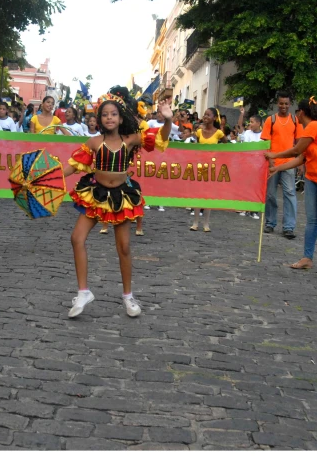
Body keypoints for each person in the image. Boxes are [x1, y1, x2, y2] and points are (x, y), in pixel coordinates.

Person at [64, 94, 172, 318]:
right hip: (96, 194)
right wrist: (49, 176)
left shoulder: (130, 139)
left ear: (121, 118)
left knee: (123, 247)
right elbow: (73, 167)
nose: (109, 118)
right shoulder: (93, 142)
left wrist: (168, 120)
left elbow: (161, 138)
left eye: (113, 114)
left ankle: (128, 296)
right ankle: (83, 292)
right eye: (104, 115)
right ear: (99, 119)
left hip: (121, 196)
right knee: (77, 238)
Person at [266, 97, 317, 276]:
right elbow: (301, 159)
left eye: (297, 111)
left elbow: (296, 150)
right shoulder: (313, 127)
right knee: (313, 220)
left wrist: (274, 154)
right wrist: (277, 167)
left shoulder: (314, 126)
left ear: (301, 112)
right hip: (313, 177)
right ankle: (307, 258)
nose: (295, 114)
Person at [261, 92, 303, 239]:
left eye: (286, 103)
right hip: (273, 163)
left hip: (289, 164)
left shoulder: (295, 120)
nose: (283, 106)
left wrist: (299, 161)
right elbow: (265, 142)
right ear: (277, 103)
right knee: (271, 194)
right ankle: (270, 222)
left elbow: (298, 143)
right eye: (281, 103)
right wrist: (270, 161)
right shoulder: (270, 120)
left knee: (290, 194)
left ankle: (289, 227)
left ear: (290, 104)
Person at [189, 108, 227, 232]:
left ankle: (206, 223)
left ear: (214, 118)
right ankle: (195, 222)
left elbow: (227, 146)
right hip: (200, 166)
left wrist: (219, 156)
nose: (205, 117)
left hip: (212, 167)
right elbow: (194, 145)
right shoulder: (199, 132)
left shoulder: (219, 133)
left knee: (208, 195)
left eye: (208, 115)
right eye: (204, 114)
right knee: (197, 193)